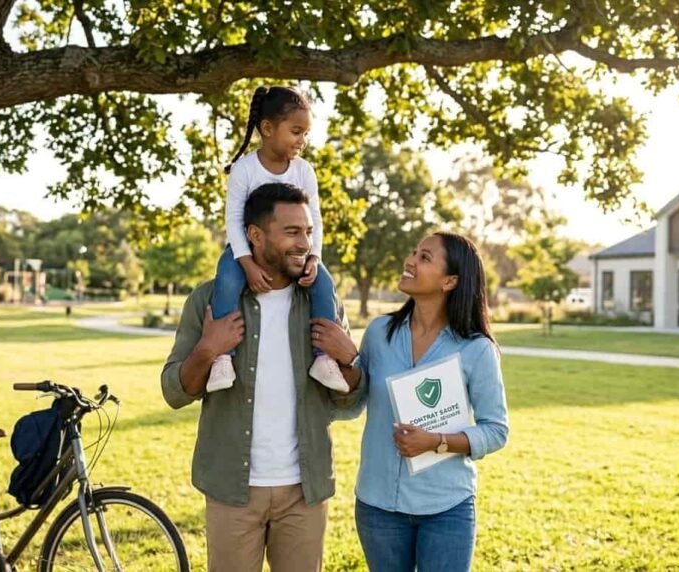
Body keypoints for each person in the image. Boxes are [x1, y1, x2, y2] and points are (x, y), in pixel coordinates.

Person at [160, 183, 363, 572]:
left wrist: (348, 358)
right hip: (231, 490)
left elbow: (349, 400)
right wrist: (208, 349)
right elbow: (174, 391)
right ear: (254, 235)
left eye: (308, 231)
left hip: (304, 491)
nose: (304, 243)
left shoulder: (322, 302)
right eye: (292, 232)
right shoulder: (210, 300)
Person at [311, 231, 509, 572]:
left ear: (449, 281)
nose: (410, 261)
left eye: (424, 257)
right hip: (378, 506)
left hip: (446, 507)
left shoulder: (476, 349)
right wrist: (349, 361)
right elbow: (352, 406)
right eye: (414, 252)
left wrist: (437, 442)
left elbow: (496, 430)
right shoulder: (379, 332)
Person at [207, 85, 346, 393]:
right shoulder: (244, 170)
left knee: (324, 285)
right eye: (296, 132)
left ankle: (324, 358)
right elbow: (233, 219)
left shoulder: (304, 171)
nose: (302, 141)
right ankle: (222, 358)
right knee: (226, 281)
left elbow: (315, 219)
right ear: (268, 129)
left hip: (295, 253)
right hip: (244, 249)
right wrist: (247, 264)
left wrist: (314, 258)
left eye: (306, 134)